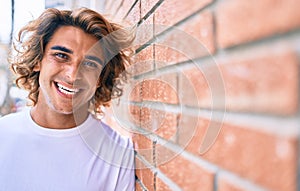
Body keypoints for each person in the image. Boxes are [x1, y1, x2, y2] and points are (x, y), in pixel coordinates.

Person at [0, 7, 135, 190]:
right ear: (37, 61)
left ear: (100, 78)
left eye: (89, 64)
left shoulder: (117, 154)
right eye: (61, 56)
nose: (73, 75)